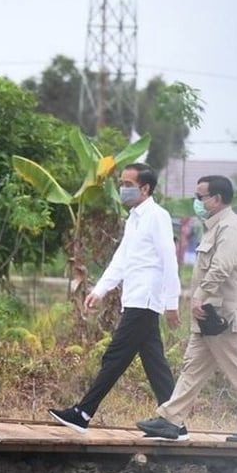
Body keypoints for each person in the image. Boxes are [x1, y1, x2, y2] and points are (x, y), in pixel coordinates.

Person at [135, 175, 237, 443]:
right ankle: (170, 420)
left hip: (222, 316)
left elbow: (223, 266)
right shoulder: (216, 226)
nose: (196, 202)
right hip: (211, 314)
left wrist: (199, 296)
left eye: (200, 197)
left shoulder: (230, 227)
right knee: (192, 368)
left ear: (216, 199)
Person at [48, 163, 181, 434]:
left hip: (145, 299)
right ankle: (175, 423)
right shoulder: (134, 219)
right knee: (155, 363)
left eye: (129, 185)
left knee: (115, 356)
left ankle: (83, 412)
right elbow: (121, 260)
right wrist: (100, 290)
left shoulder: (157, 216)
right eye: (122, 183)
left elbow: (170, 260)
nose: (123, 189)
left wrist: (172, 303)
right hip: (134, 297)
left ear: (145, 188)